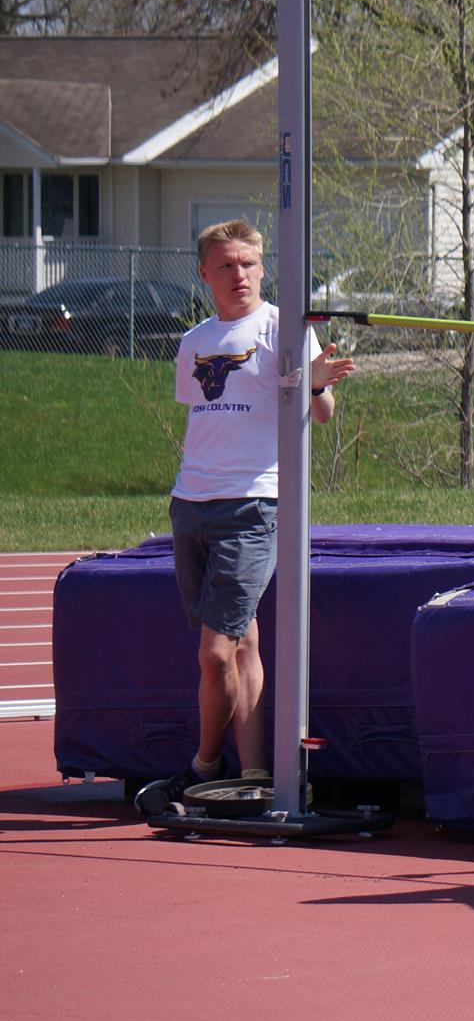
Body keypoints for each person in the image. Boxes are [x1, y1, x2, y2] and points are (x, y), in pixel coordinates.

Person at [135, 220, 356, 813]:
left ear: (263, 266)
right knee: (242, 645)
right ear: (205, 273)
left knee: (214, 653)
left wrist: (314, 385)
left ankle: (202, 767)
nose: (240, 275)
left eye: (249, 264)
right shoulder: (194, 341)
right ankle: (256, 772)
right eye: (227, 266)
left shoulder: (285, 327)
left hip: (255, 504)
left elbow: (324, 411)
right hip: (191, 503)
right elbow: (207, 418)